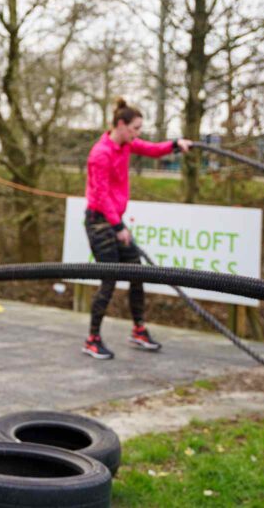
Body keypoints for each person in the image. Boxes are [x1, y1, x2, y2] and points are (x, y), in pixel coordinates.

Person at [82, 98, 192, 360]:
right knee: (110, 278)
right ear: (121, 125)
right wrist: (118, 226)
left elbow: (152, 149)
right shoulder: (100, 154)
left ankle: (138, 329)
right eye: (136, 128)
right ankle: (92, 339)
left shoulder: (127, 144)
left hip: (114, 220)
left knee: (137, 272)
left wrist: (175, 145)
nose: (138, 133)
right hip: (99, 222)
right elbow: (102, 194)